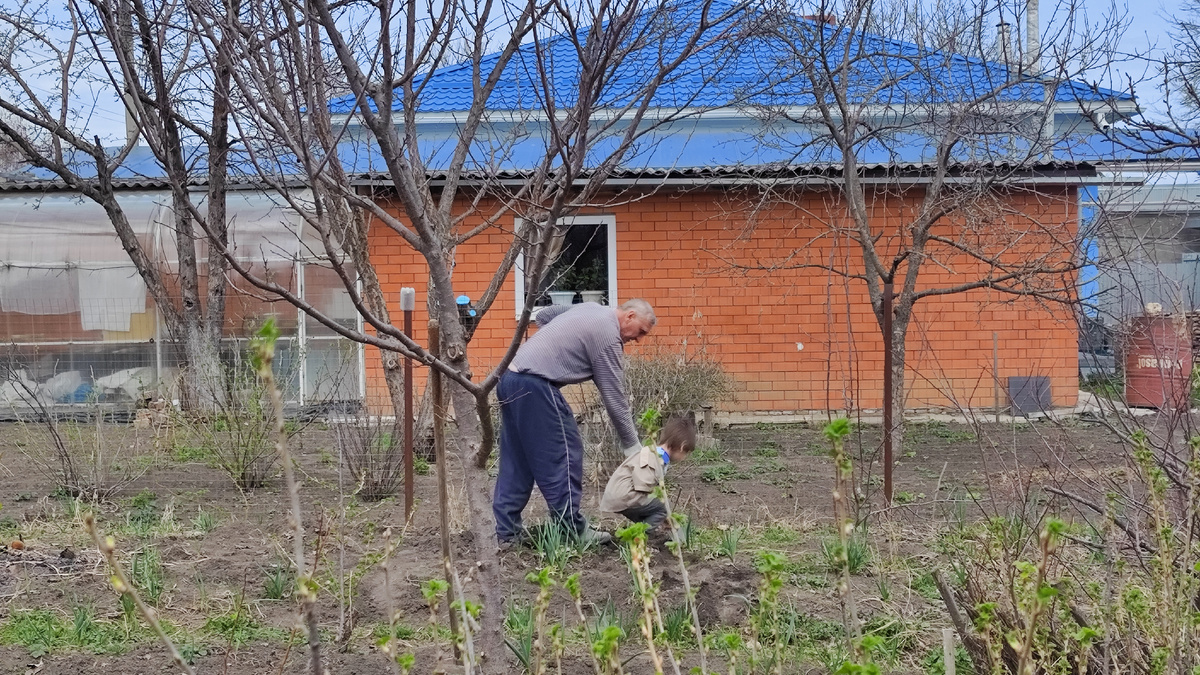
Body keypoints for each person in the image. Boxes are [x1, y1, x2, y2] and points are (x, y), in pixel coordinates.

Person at [493, 298, 656, 547]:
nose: (639, 340)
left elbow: (545, 315)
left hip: (510, 379)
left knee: (518, 459)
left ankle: (507, 532)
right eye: (640, 332)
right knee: (565, 452)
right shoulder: (608, 336)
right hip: (536, 385)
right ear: (630, 316)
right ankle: (572, 530)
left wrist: (557, 345)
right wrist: (633, 446)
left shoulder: (589, 308)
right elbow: (614, 396)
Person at [600, 416, 697, 534]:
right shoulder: (653, 458)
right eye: (686, 453)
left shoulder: (656, 455)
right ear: (682, 446)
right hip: (625, 495)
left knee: (655, 510)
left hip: (623, 494)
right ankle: (644, 538)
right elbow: (642, 485)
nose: (684, 457)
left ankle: (643, 533)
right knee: (663, 507)